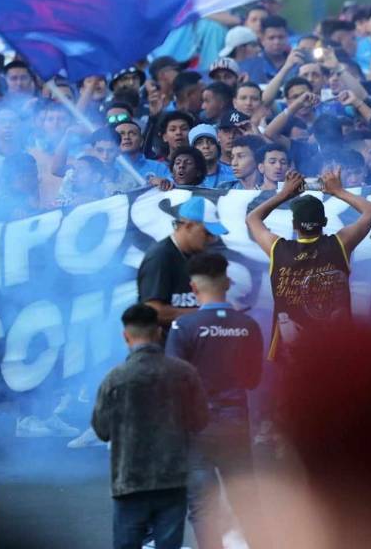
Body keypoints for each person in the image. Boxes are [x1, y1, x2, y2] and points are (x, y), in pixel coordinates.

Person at [165, 253, 264, 548]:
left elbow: (173, 383)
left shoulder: (183, 328)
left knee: (204, 508)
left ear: (194, 289)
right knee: (246, 502)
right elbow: (252, 380)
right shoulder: (248, 326)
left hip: (197, 428)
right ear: (228, 282)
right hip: (236, 425)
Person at [92, 305, 210, 549]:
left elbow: (101, 430)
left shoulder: (114, 379)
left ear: (126, 336)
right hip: (172, 479)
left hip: (130, 481)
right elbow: (200, 421)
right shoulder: (185, 373)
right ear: (159, 333)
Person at [245, 169, 371, 362]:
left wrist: (284, 194)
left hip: (290, 353)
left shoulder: (278, 249)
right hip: (336, 351)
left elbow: (252, 218)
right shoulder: (340, 244)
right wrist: (338, 191)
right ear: (324, 222)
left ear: (293, 224)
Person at [138, 196, 228, 328]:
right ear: (189, 226)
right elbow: (153, 311)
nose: (212, 239)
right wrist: (208, 315)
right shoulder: (160, 256)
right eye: (207, 233)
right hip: (168, 345)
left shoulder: (198, 254)